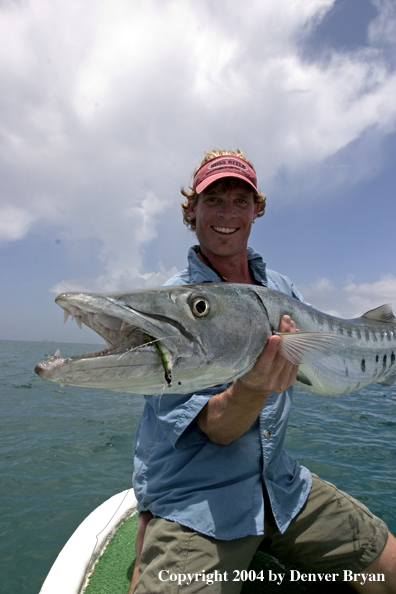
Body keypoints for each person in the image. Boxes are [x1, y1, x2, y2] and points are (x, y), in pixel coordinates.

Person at [129, 150, 396, 594]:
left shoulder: (280, 287)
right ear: (191, 210)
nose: (227, 213)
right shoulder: (176, 305)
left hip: (279, 483)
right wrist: (253, 386)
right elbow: (220, 430)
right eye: (213, 199)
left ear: (257, 209)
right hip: (199, 500)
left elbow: (327, 362)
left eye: (240, 200)